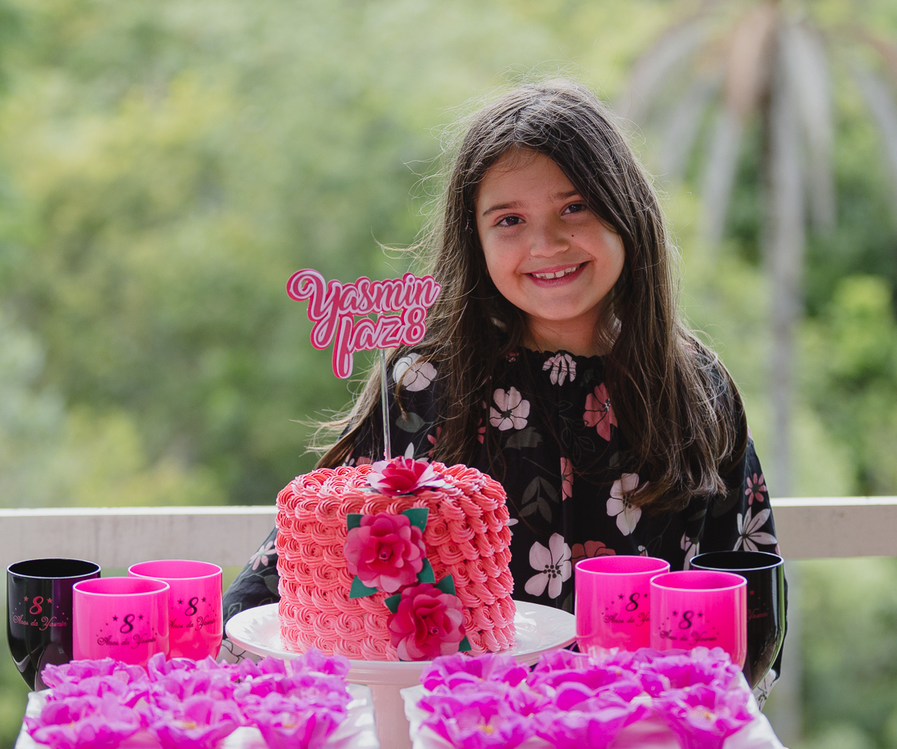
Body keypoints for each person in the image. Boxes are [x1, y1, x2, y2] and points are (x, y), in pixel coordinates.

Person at [224, 80, 779, 668]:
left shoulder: (696, 388)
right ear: (477, 241)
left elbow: (749, 602)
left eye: (575, 206)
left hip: (645, 743)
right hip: (459, 740)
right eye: (509, 219)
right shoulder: (427, 382)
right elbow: (307, 568)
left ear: (627, 211)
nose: (546, 243)